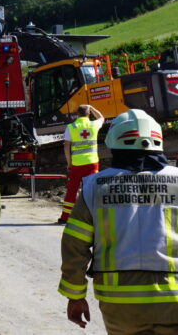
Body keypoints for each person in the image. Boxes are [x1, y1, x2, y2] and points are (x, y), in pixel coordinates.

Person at [59, 109, 178, 334]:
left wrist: (75, 296)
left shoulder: (94, 187)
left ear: (114, 143)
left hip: (119, 304)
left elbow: (74, 247)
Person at [59, 104, 104, 224]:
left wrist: (69, 163)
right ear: (88, 114)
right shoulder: (94, 125)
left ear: (77, 114)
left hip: (77, 164)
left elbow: (66, 146)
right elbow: (101, 118)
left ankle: (65, 217)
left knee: (72, 190)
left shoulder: (71, 127)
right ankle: (93, 217)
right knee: (92, 190)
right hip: (92, 163)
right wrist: (92, 107)